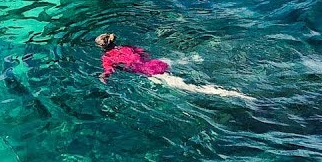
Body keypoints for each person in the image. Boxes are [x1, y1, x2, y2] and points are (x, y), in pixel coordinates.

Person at [95, 33, 252, 101]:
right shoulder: (127, 46)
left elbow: (109, 71)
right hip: (157, 63)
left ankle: (236, 95)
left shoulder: (107, 58)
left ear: (102, 47)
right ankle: (197, 58)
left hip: (150, 73)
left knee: (194, 88)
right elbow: (144, 53)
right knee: (186, 60)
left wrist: (103, 77)